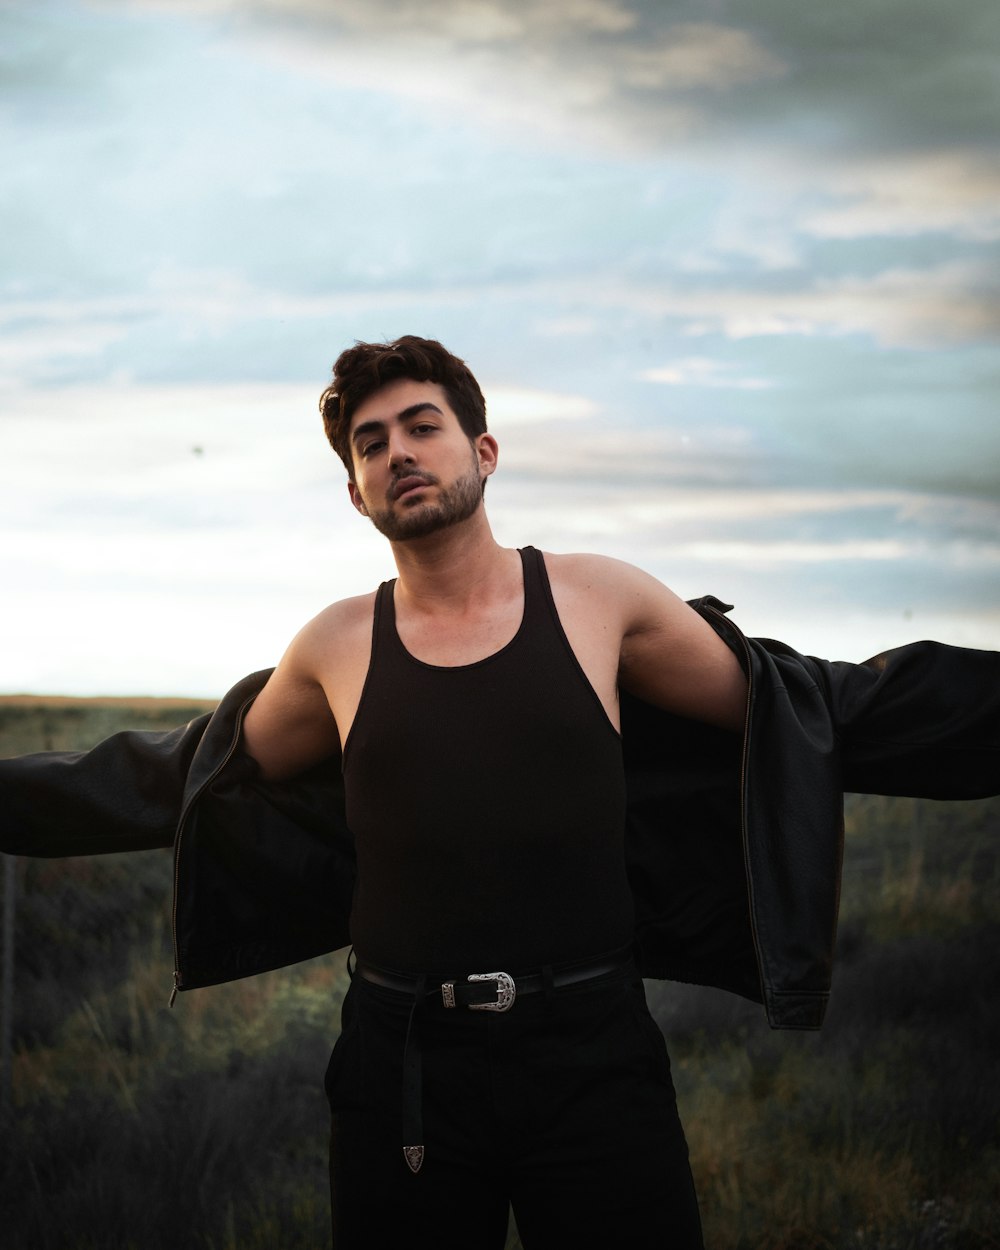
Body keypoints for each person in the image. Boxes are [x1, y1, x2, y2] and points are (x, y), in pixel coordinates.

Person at [2, 336, 998, 1250]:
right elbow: (190, 774)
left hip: (593, 1054)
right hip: (404, 1070)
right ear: (354, 491)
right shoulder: (333, 647)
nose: (399, 450)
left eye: (422, 425)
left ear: (481, 450)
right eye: (370, 440)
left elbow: (806, 705)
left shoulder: (599, 599)